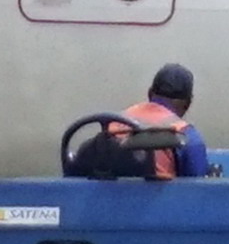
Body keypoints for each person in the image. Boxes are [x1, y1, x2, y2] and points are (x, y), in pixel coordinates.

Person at [63, 60, 217, 181]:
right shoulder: (186, 135)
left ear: (150, 93)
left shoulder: (115, 122)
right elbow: (197, 191)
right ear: (188, 103)